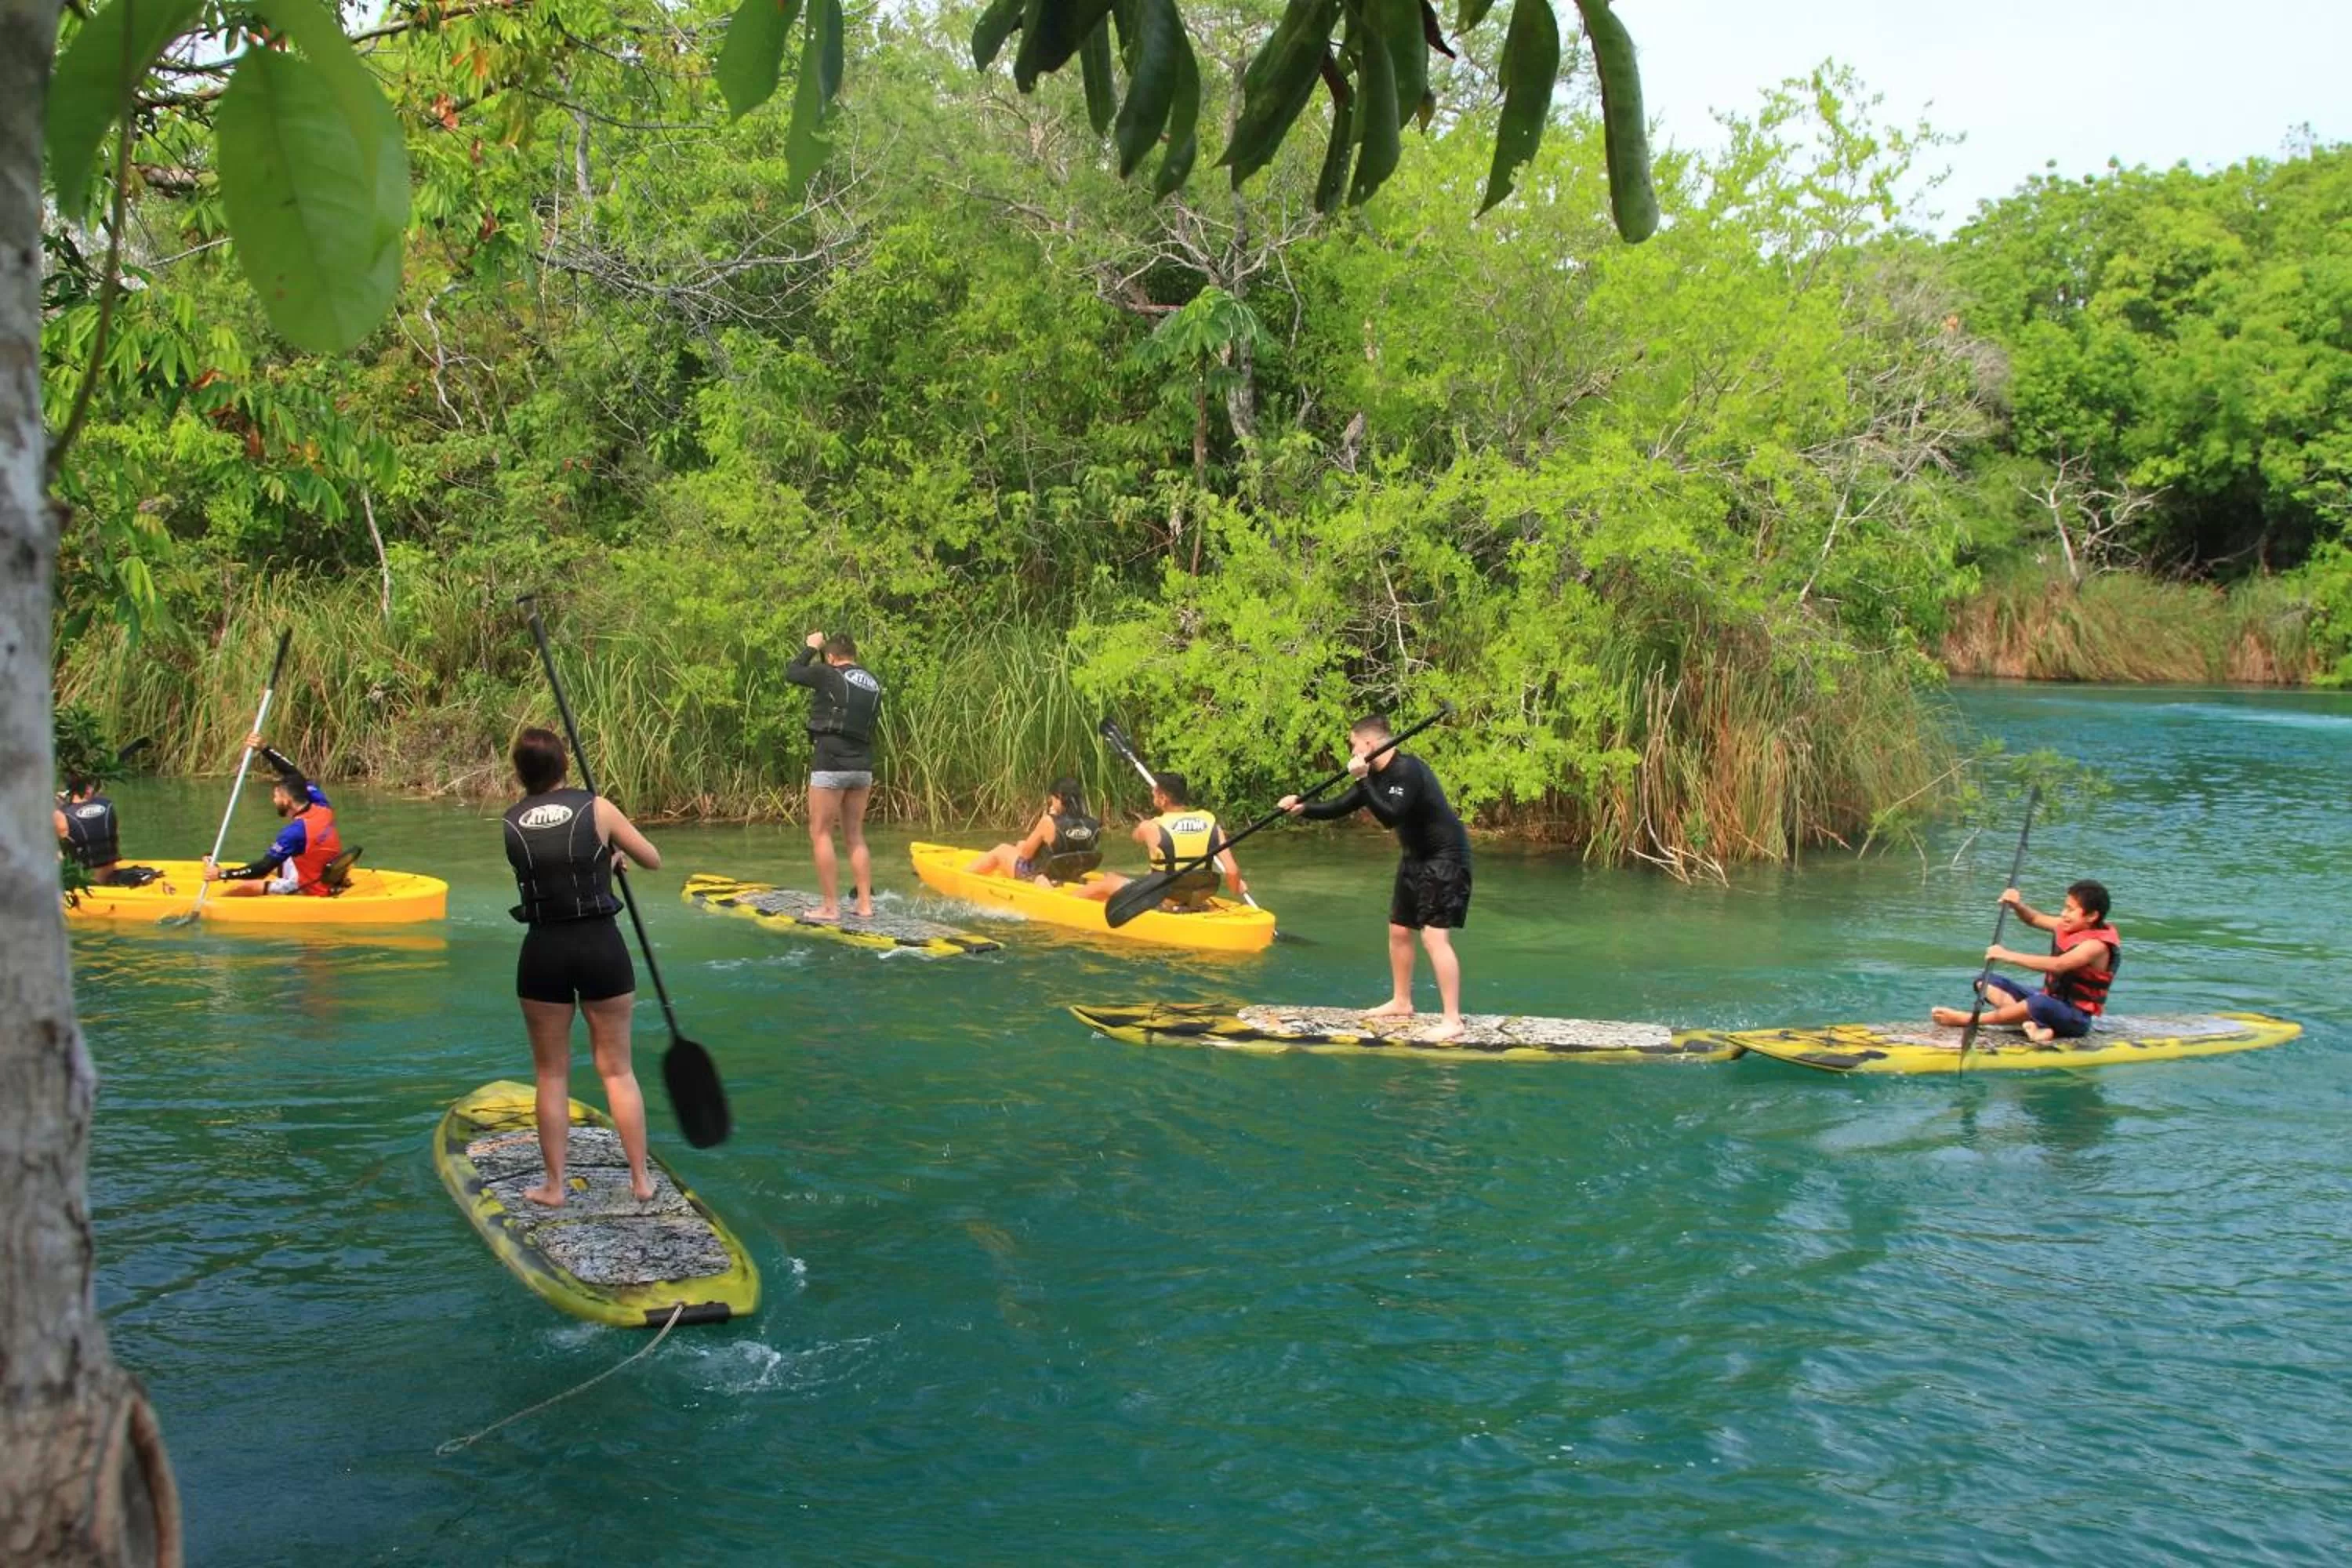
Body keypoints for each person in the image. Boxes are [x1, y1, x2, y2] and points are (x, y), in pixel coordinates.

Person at [501, 726, 663, 1207]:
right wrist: (610, 858)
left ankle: (553, 1188)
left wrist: (597, 860)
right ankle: (640, 1181)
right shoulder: (598, 807)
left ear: (519, 773)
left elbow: (549, 869)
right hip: (600, 947)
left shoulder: (510, 822)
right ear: (565, 766)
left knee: (551, 1074)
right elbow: (652, 859)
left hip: (543, 952)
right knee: (618, 1071)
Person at [1281, 714, 1472, 1040]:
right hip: (1414, 858)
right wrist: (1304, 808)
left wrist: (1361, 781)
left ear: (1369, 743)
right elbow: (1342, 805)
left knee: (1433, 938)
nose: (1351, 750)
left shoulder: (1407, 770)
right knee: (1399, 930)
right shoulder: (1375, 775)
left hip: (1446, 859)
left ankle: (1452, 1020)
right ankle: (1401, 1001)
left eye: (1353, 743)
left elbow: (1390, 815)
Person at [1933, 880, 2120, 1044]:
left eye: (2070, 910)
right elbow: (2034, 918)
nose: (2063, 914)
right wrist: (2017, 905)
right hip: (2049, 1001)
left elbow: (2059, 965)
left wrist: (2008, 955)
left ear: (2091, 916)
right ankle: (2034, 1025)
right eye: (2065, 907)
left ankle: (1968, 1019)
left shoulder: (2096, 946)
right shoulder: (2067, 926)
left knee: (2039, 1003)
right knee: (1986, 981)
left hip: (2074, 1018)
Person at [786, 630, 883, 921]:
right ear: (854, 655)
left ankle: (830, 907)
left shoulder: (829, 674)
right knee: (854, 835)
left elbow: (792, 673)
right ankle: (865, 905)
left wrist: (809, 647)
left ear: (831, 657)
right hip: (862, 766)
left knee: (821, 832)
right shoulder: (873, 683)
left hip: (831, 761)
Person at [1075, 771, 1247, 911]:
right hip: (1197, 897)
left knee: (1108, 882)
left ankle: (1065, 904)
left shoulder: (1150, 827)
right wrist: (1236, 887)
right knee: (1113, 876)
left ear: (1164, 799)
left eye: (1155, 792)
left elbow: (1136, 836)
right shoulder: (1211, 823)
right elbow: (1232, 871)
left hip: (1163, 898)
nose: (1152, 794)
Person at [203, 737, 343, 898]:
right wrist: (264, 749)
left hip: (308, 886)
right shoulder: (322, 805)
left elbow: (264, 868)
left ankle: (217, 904)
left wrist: (222, 875)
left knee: (245, 888)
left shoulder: (295, 832)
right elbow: (294, 774)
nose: (273, 800)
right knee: (274, 858)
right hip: (321, 871)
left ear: (287, 801)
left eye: (276, 797)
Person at [966, 777, 1104, 885]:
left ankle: (964, 876)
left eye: (1053, 799)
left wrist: (1050, 817)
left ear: (1059, 798)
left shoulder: (1048, 822)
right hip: (1071, 874)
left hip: (1040, 875)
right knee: (1021, 844)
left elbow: (1026, 855)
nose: (1051, 802)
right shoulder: (1093, 824)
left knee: (1001, 850)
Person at [53, 771, 125, 884]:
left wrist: (56, 806)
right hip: (111, 873)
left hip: (86, 881)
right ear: (88, 789)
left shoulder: (61, 815)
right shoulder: (107, 804)